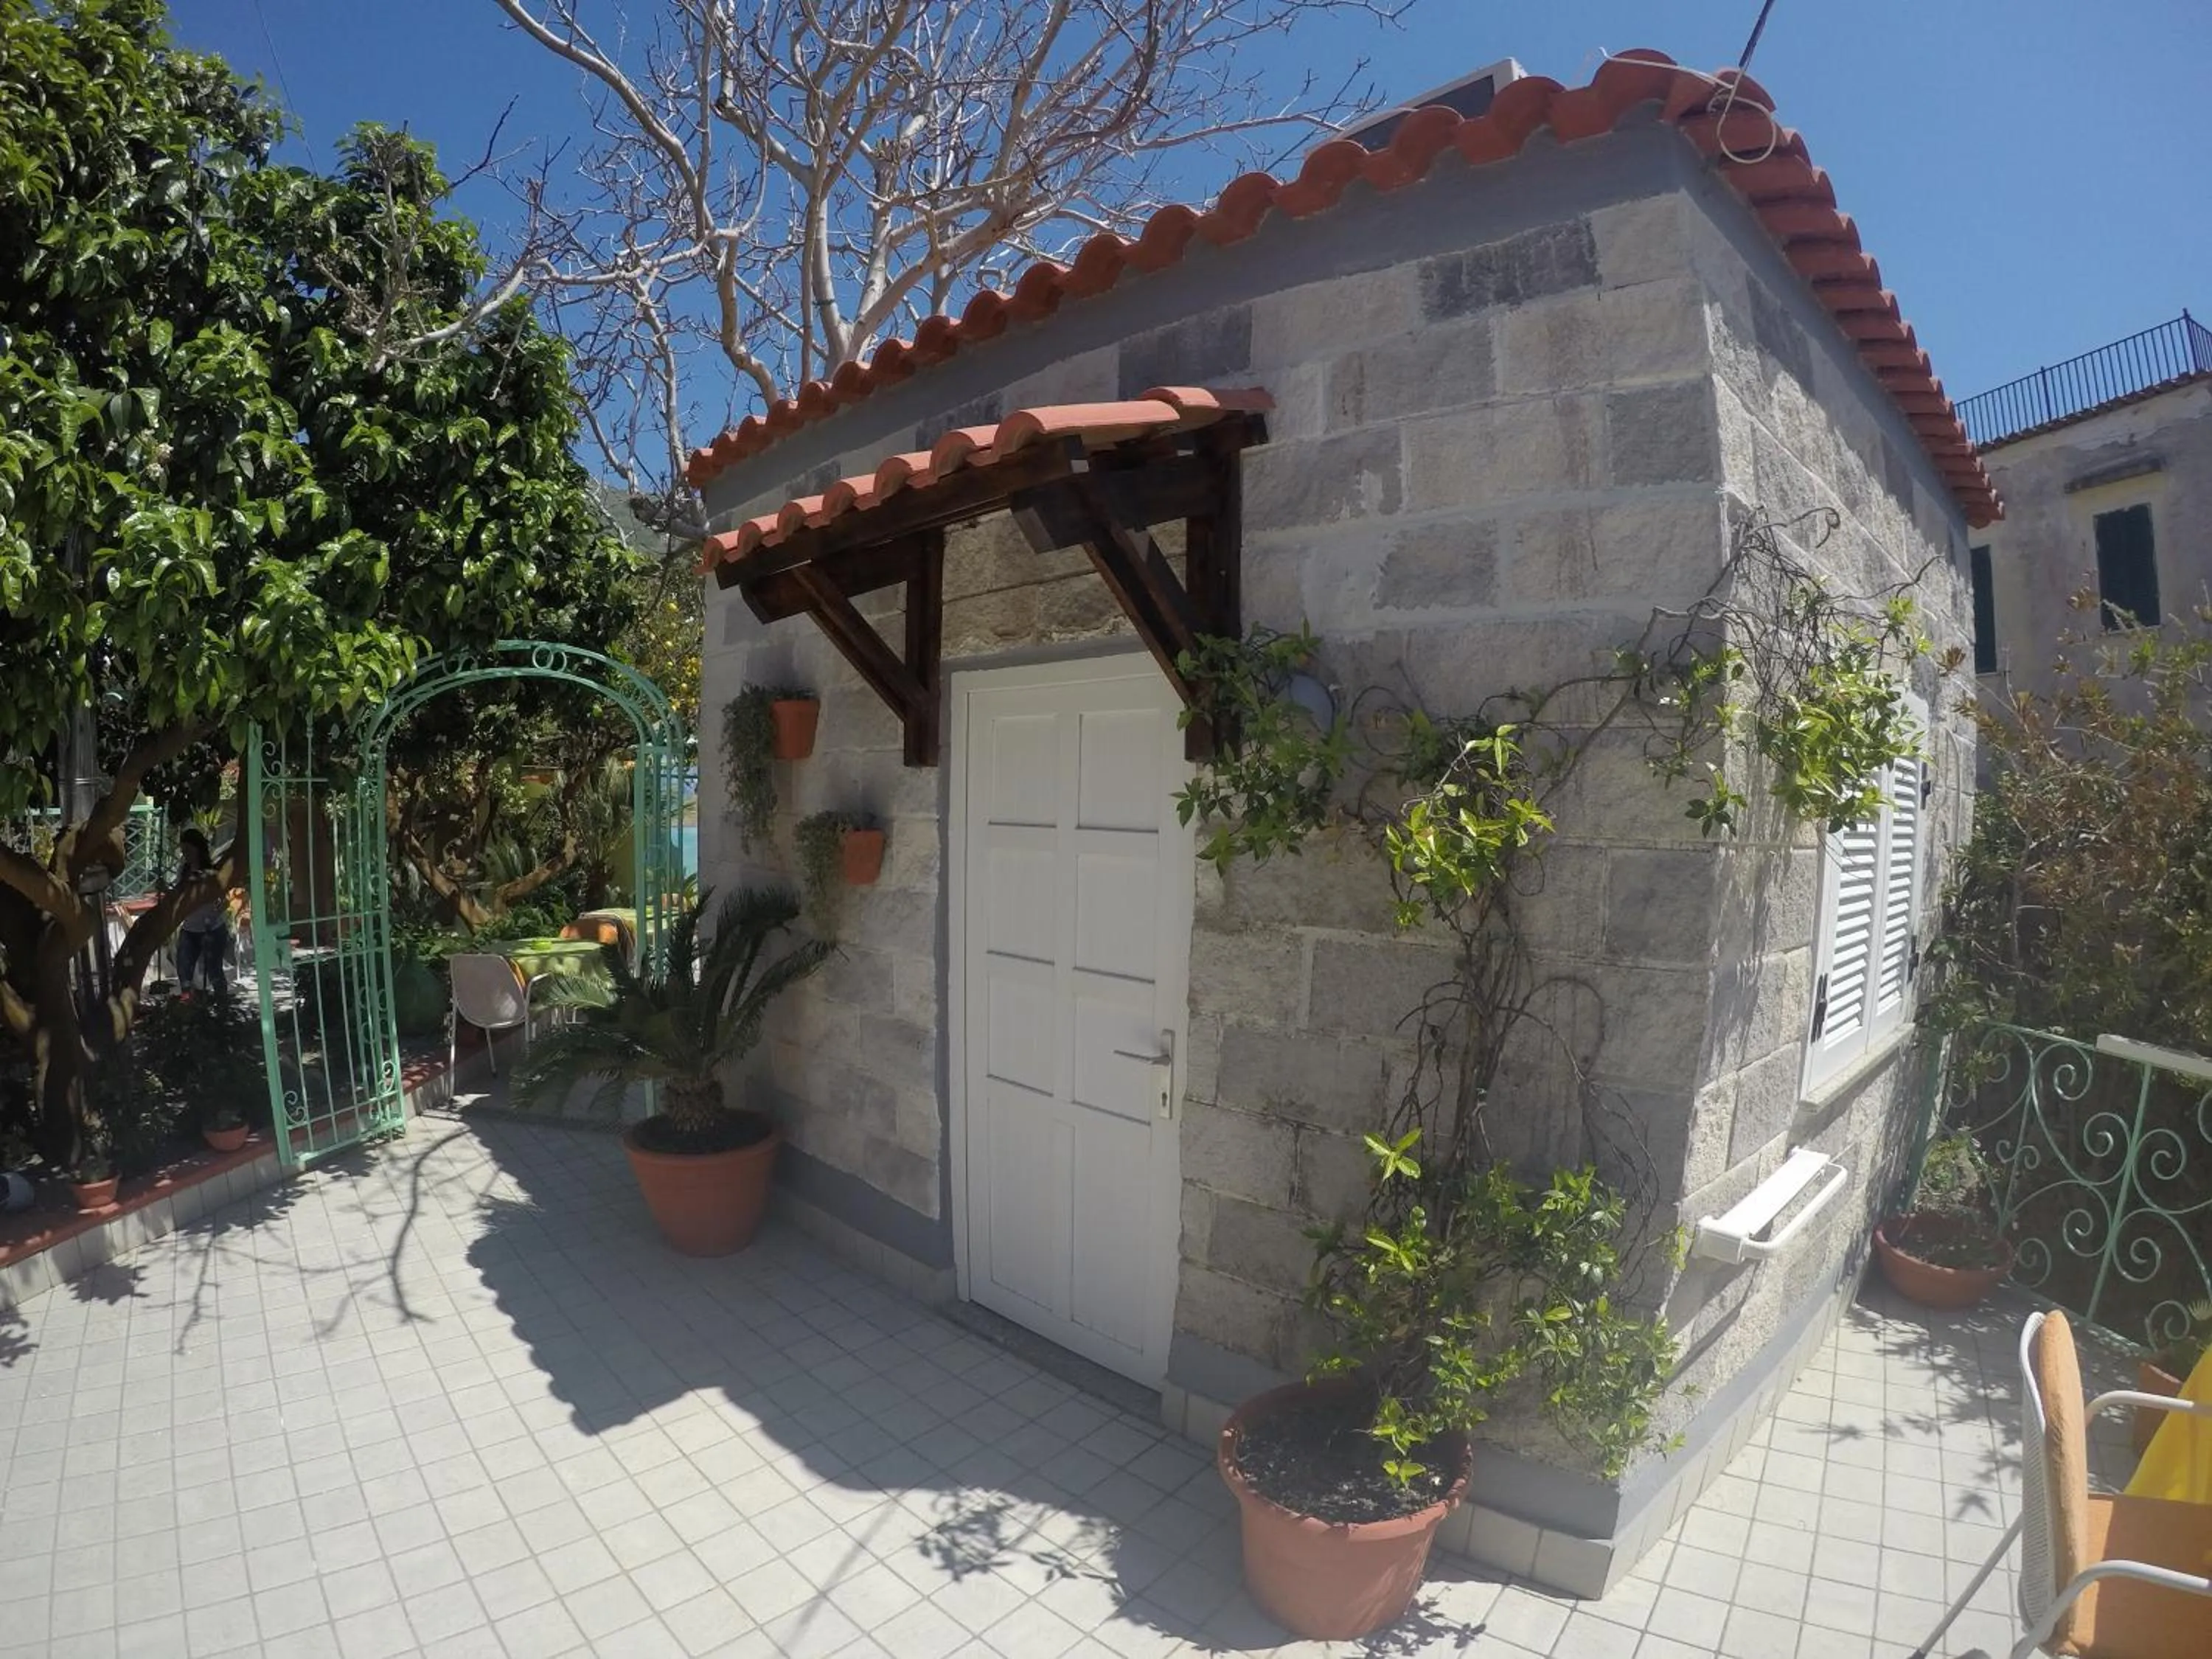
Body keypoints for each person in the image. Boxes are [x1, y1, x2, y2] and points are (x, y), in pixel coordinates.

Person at [173, 829, 231, 1001]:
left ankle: (222, 1005)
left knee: (214, 971)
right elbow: (178, 894)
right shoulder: (183, 870)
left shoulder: (211, 872)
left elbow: (225, 902)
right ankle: (188, 1005)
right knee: (184, 970)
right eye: (184, 851)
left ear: (198, 849)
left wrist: (212, 917)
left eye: (189, 851)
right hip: (190, 929)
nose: (186, 855)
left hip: (213, 929)